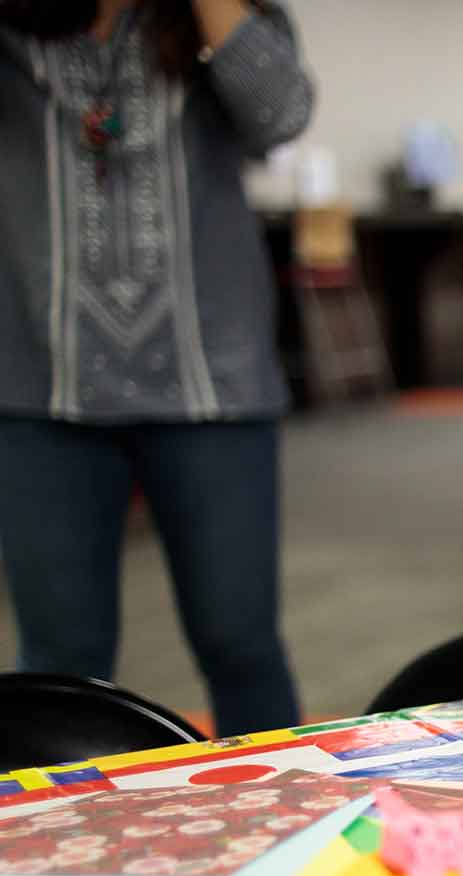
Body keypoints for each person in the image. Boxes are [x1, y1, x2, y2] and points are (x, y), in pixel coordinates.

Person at [0, 0, 311, 734]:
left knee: (241, 644)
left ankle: (286, 838)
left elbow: (282, 114)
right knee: (57, 662)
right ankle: (47, 849)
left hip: (214, 384)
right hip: (40, 386)